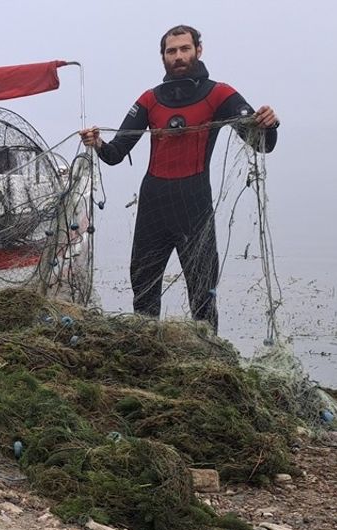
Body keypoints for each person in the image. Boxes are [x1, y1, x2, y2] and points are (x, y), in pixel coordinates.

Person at [81, 25, 278, 331]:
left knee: (202, 293)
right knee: (143, 288)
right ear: (163, 57)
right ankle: (146, 354)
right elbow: (116, 153)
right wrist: (97, 144)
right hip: (153, 206)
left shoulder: (220, 94)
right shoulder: (150, 99)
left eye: (184, 49)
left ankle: (210, 357)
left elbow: (261, 144)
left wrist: (269, 124)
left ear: (198, 50)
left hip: (194, 205)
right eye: (171, 51)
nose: (178, 56)